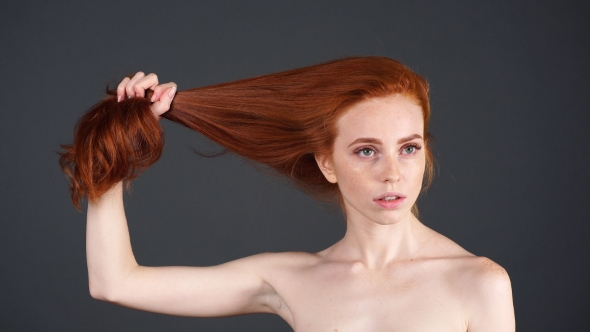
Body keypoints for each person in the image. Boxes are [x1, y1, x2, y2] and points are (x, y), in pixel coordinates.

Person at [60, 57, 515, 331]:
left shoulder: (479, 283)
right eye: (366, 151)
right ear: (327, 163)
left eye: (409, 148)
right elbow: (113, 283)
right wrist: (113, 148)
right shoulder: (289, 279)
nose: (393, 173)